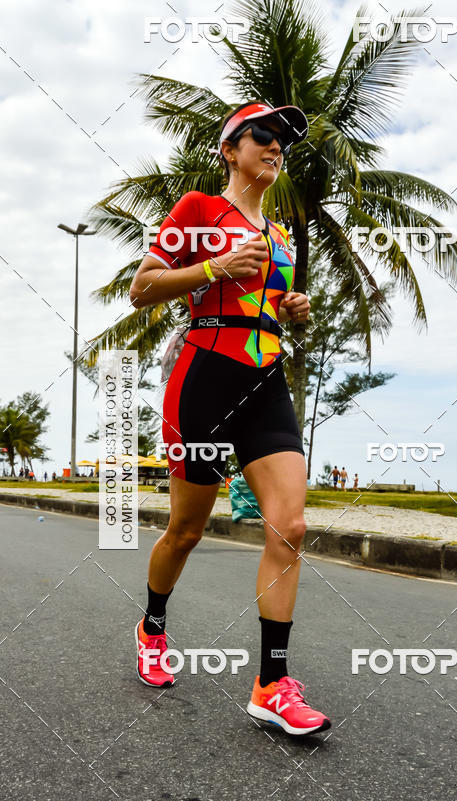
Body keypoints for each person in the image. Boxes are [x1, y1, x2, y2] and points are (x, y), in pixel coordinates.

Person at [129, 101, 330, 736]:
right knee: (186, 530)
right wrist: (214, 265)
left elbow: (268, 305)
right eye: (263, 136)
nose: (276, 147)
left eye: (283, 142)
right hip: (205, 380)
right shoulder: (196, 210)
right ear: (230, 149)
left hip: (267, 380)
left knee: (290, 527)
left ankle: (271, 684)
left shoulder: (279, 235)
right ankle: (152, 626)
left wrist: (293, 309)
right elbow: (143, 286)